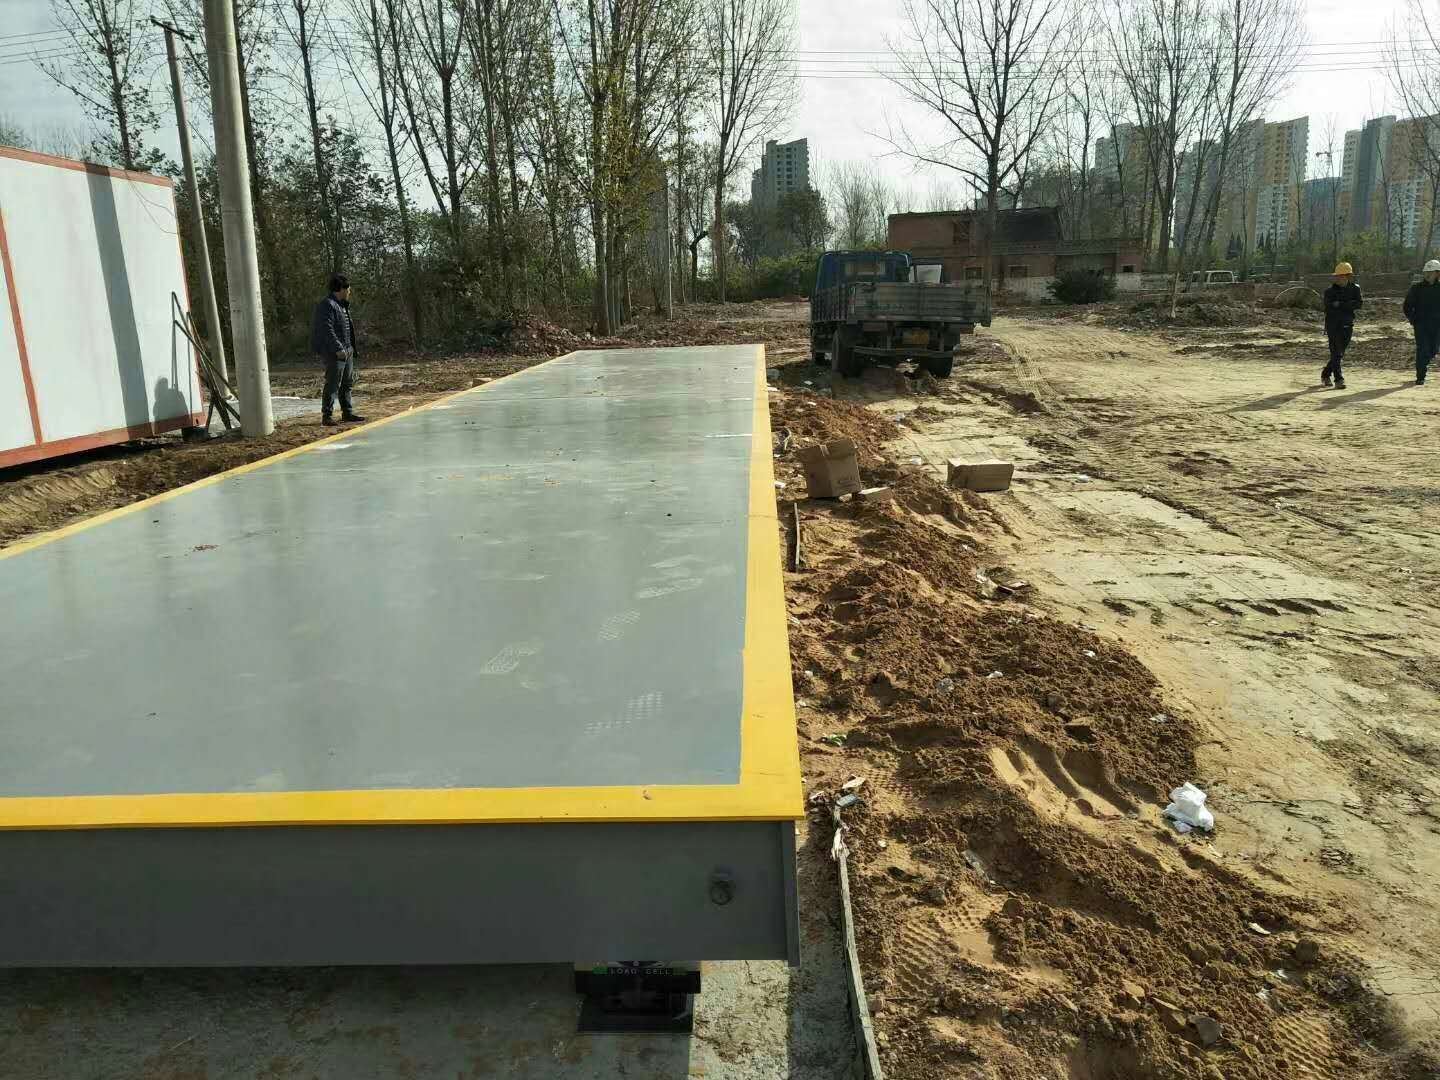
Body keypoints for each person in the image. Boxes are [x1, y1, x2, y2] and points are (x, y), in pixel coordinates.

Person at [311, 273, 366, 425]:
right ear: (341, 288)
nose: (350, 291)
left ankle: (347, 413)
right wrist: (338, 348)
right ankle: (327, 416)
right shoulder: (327, 305)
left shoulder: (342, 305)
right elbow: (326, 329)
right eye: (348, 289)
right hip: (335, 352)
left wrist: (350, 348)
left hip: (347, 350)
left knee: (347, 384)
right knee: (333, 384)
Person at [1321, 261, 1362, 390]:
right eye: (1337, 276)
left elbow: (1359, 304)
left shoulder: (1355, 289)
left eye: (1341, 276)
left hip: (1347, 324)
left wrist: (1341, 304)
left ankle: (1326, 373)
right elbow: (1329, 307)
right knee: (1336, 351)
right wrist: (1347, 304)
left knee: (1340, 353)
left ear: (1348, 276)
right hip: (1333, 325)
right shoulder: (1329, 291)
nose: (1338, 278)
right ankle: (1338, 379)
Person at [1403, 259, 1440, 386]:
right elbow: (1407, 306)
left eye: (1431, 272)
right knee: (1423, 349)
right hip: (1421, 325)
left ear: (1437, 273)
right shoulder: (1416, 289)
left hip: (1437, 325)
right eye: (1426, 272)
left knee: (1434, 350)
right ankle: (1420, 377)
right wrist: (1414, 320)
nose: (1427, 274)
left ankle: (1423, 364)